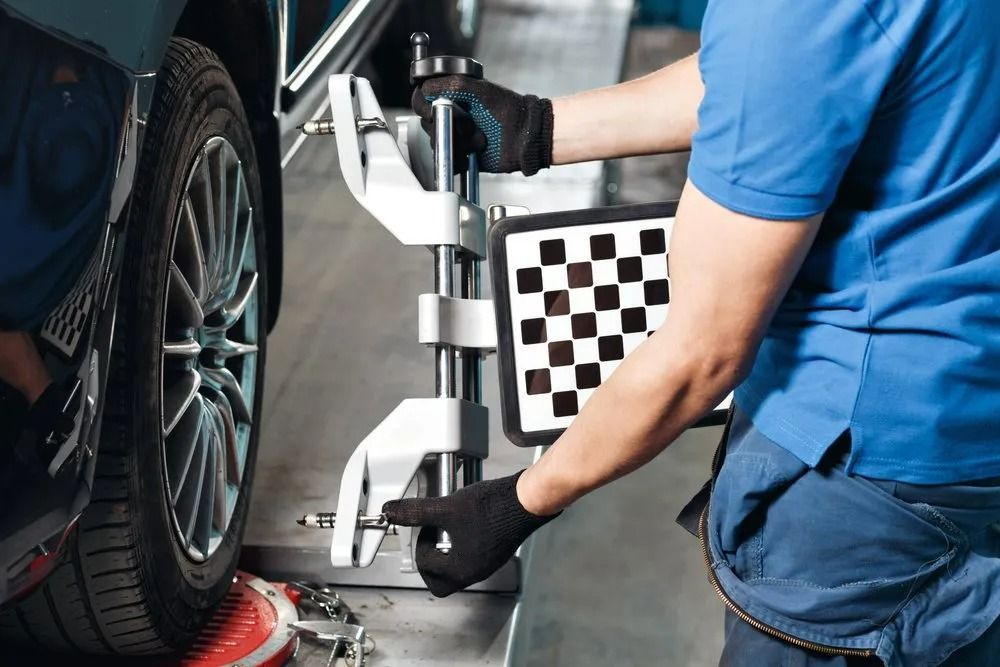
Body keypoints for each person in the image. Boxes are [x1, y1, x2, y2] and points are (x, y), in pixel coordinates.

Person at [381, 1, 1000, 665]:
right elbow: (792, 77)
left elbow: (704, 353)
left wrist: (516, 502)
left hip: (868, 474)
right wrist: (541, 128)